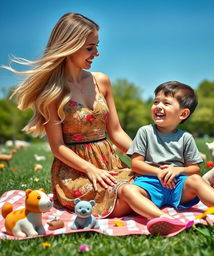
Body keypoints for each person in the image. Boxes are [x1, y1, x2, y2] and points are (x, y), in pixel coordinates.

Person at [3, 13, 133, 217]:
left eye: (97, 46)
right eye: (90, 48)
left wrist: (143, 157)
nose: (96, 53)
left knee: (150, 187)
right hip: (74, 171)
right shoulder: (52, 91)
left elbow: (116, 132)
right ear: (70, 46)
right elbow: (57, 146)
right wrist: (90, 169)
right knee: (121, 199)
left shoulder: (102, 81)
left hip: (110, 163)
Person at [110, 81, 214, 235]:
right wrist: (158, 172)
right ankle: (164, 219)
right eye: (156, 102)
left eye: (166, 103)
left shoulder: (185, 138)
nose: (158, 106)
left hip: (178, 186)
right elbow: (136, 164)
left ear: (183, 114)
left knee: (196, 180)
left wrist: (178, 170)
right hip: (149, 184)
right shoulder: (145, 132)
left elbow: (195, 169)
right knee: (127, 190)